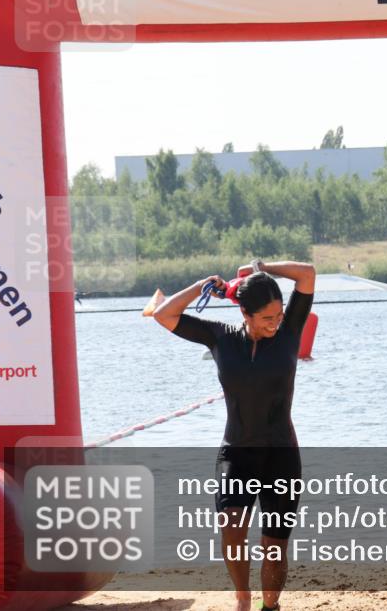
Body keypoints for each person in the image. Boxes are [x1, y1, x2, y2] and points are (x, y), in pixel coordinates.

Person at [153, 258, 315, 611]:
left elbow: (307, 274)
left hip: (281, 456)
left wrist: (263, 267)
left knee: (274, 544)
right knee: (231, 528)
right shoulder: (221, 338)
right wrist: (200, 286)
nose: (276, 322)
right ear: (246, 313)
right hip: (237, 453)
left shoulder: (289, 332)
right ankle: (243, 599)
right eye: (267, 317)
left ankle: (269, 606)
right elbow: (164, 315)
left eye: (279, 314)